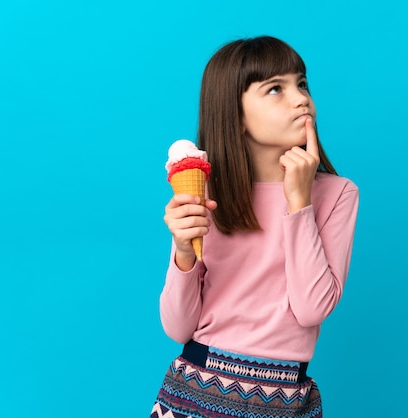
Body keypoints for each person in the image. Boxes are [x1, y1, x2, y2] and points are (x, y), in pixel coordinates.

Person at [151, 36, 359, 418]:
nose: (300, 99)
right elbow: (178, 329)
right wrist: (183, 252)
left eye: (302, 84)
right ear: (235, 114)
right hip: (194, 391)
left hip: (283, 398)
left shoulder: (336, 194)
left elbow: (311, 309)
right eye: (275, 89)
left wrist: (299, 204)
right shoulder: (206, 194)